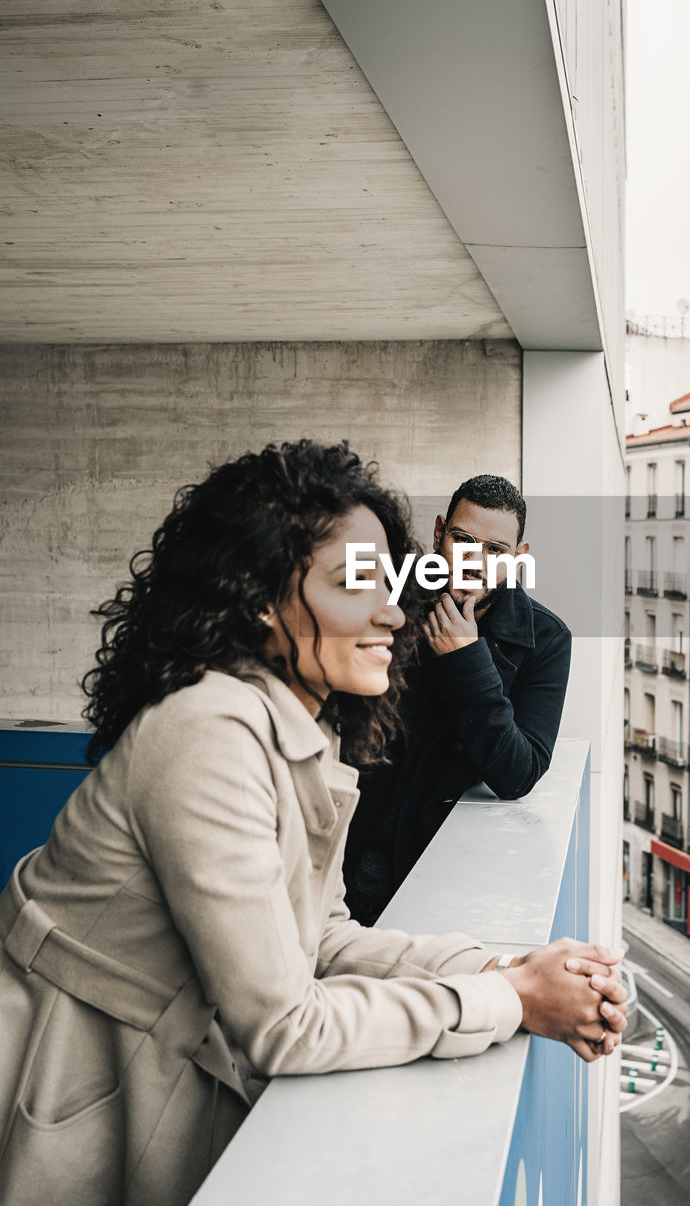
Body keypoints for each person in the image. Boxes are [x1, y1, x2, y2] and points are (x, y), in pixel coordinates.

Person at [0, 442, 624, 1206]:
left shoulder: (304, 724)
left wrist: (499, 968)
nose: (393, 609)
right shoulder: (209, 731)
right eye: (355, 581)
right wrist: (514, 1003)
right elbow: (286, 1026)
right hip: (78, 1091)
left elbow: (321, 935)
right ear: (263, 599)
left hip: (158, 1082)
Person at [344, 474, 572, 924]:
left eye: (495, 551)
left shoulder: (545, 638)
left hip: (440, 868)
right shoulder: (391, 597)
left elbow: (519, 773)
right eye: (463, 539)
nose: (475, 560)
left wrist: (468, 660)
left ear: (518, 559)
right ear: (438, 533)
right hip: (345, 844)